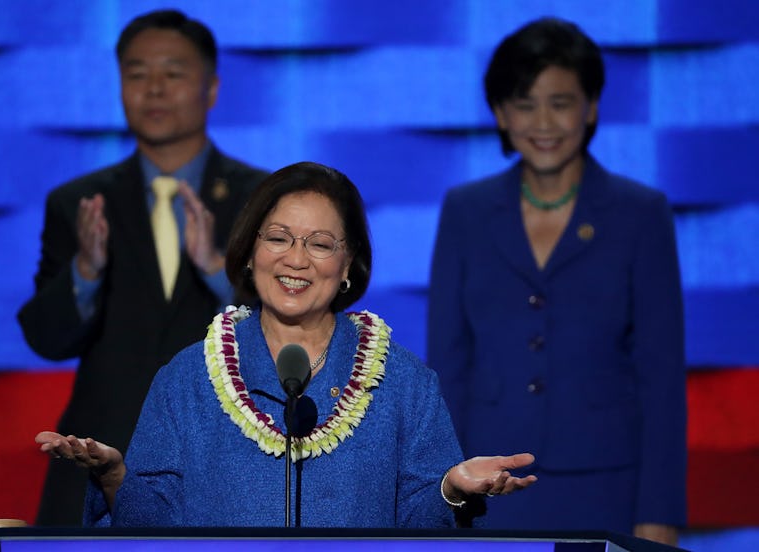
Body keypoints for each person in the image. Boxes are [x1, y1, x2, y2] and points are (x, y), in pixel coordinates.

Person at [35, 161, 537, 528]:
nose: (296, 260)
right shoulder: (186, 379)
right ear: (251, 253)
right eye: (278, 238)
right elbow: (151, 531)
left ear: (347, 267)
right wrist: (115, 477)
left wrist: (449, 489)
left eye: (320, 244)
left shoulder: (403, 384)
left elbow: (420, 530)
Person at [427, 17, 686, 545]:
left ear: (591, 107)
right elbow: (448, 368)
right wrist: (443, 493)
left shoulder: (641, 214)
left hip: (609, 484)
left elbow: (661, 380)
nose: (543, 121)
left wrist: (660, 511)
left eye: (561, 102)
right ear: (500, 114)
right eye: (524, 104)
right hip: (490, 486)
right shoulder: (465, 212)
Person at [18, 9, 269, 526]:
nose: (153, 88)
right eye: (136, 74)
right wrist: (85, 272)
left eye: (173, 73)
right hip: (99, 454)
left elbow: (294, 330)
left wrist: (220, 273)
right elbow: (45, 338)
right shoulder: (78, 203)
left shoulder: (263, 200)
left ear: (213, 88)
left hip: (229, 453)